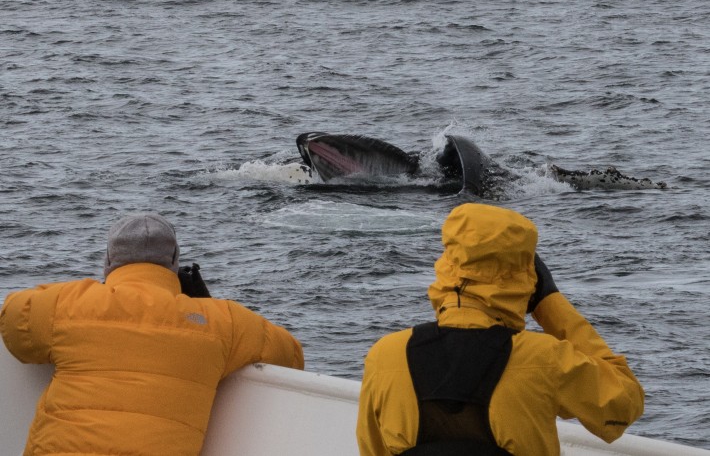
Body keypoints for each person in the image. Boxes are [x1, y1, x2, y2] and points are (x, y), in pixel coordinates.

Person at [0, 213, 304, 455]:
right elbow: (291, 355)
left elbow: (13, 319)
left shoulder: (68, 303)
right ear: (175, 262)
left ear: (108, 262)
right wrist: (204, 303)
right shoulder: (224, 322)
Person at [356, 203, 644, 456]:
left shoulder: (384, 356)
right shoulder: (544, 359)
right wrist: (550, 303)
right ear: (529, 277)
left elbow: (372, 450)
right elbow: (622, 406)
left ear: (446, 265)